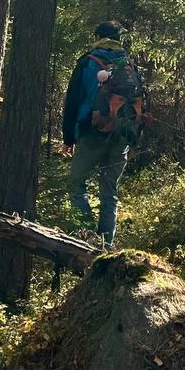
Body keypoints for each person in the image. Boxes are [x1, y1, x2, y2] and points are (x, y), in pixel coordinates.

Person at [61, 20, 133, 245]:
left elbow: (72, 102)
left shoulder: (86, 63)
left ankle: (86, 241)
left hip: (91, 133)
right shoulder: (129, 64)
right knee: (109, 194)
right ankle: (106, 247)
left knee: (76, 185)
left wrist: (68, 138)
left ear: (97, 36)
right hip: (121, 137)